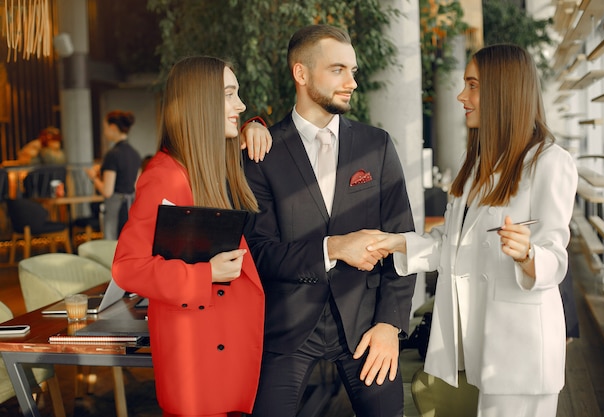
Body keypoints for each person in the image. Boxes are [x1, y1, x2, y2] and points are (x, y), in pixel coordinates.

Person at [367, 44, 578, 417]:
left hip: (519, 351)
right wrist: (394, 243)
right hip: (477, 339)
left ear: (503, 91)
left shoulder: (550, 163)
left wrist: (529, 254)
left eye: (473, 85)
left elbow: (556, 259)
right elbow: (449, 244)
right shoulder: (478, 162)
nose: (461, 96)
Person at [243, 24, 417, 417]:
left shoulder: (377, 145)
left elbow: (404, 241)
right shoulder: (261, 152)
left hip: (366, 324)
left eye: (353, 70)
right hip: (286, 330)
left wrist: (390, 324)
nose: (351, 82)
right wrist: (333, 248)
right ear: (301, 74)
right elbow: (260, 254)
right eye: (338, 69)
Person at [112, 56, 270, 417]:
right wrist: (205, 275)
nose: (241, 105)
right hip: (197, 360)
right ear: (200, 102)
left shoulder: (211, 165)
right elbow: (127, 267)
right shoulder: (166, 176)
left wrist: (256, 125)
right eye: (230, 94)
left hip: (217, 348)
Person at [85, 110, 142, 239]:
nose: (104, 132)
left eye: (105, 128)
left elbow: (107, 191)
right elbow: (136, 185)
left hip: (116, 207)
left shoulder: (112, 155)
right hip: (132, 207)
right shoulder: (135, 154)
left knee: (111, 246)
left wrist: (93, 177)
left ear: (113, 127)